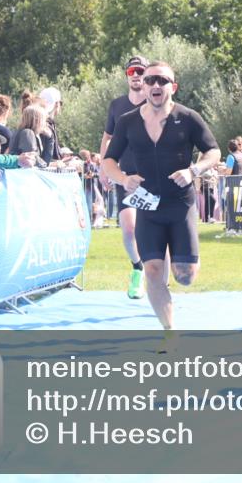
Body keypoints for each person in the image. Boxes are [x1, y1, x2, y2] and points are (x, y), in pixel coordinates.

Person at [101, 61, 221, 331]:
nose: (156, 85)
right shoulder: (127, 121)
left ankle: (184, 261)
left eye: (163, 80)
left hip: (180, 206)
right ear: (143, 86)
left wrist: (194, 170)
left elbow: (213, 151)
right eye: (150, 80)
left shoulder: (188, 118)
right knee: (153, 271)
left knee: (186, 276)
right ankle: (170, 334)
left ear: (173, 87)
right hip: (147, 206)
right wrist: (123, 179)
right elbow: (109, 160)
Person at [100, 56, 149, 299]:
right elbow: (107, 138)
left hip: (152, 176)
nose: (136, 75)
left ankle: (160, 282)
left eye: (140, 70)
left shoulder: (155, 101)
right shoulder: (117, 105)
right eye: (131, 71)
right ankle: (138, 268)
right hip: (125, 176)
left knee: (157, 230)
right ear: (127, 76)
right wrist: (104, 167)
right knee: (129, 229)